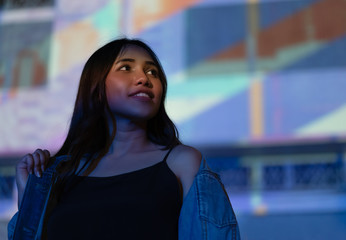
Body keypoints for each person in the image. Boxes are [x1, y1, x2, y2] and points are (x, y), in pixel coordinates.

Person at [8, 38, 241, 240]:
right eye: (126, 67)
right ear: (96, 88)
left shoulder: (182, 162)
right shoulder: (58, 173)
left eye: (153, 72)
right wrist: (28, 196)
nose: (144, 78)